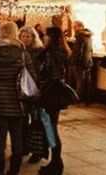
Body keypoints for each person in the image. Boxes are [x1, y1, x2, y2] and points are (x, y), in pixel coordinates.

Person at [0, 22, 28, 175]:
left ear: (1, 32)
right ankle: (14, 170)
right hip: (17, 100)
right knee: (17, 137)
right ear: (15, 33)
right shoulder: (22, 54)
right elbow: (31, 77)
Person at [38, 27, 71, 175]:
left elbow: (52, 77)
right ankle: (56, 161)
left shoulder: (52, 54)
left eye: (45, 36)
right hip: (56, 95)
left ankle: (56, 163)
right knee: (52, 128)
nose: (43, 38)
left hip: (50, 96)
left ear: (51, 38)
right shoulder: (61, 53)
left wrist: (41, 93)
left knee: (51, 129)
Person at [18, 25, 46, 164]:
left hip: (35, 88)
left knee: (36, 120)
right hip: (23, 89)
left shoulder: (39, 51)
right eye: (23, 36)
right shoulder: (19, 51)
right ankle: (24, 146)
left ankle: (37, 151)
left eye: (27, 36)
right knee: (23, 120)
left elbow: (42, 70)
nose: (25, 39)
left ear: (33, 38)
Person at [68, 21, 93, 104]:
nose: (73, 28)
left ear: (81, 26)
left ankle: (75, 100)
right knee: (87, 82)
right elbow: (90, 50)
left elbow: (78, 51)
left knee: (79, 82)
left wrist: (73, 61)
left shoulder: (79, 37)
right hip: (88, 61)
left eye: (75, 26)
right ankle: (88, 99)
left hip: (79, 63)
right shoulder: (89, 36)